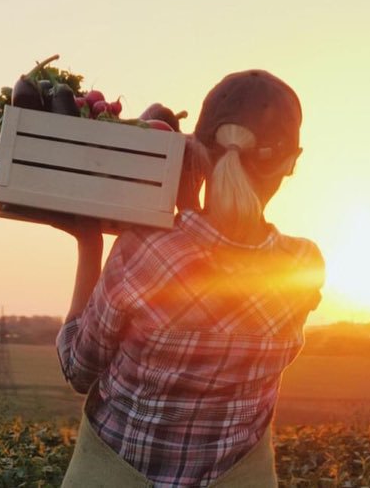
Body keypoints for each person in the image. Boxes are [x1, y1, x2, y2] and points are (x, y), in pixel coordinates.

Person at [50, 70, 326, 487]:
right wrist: (190, 205)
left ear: (195, 147)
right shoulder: (303, 266)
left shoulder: (143, 251)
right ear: (291, 162)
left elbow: (78, 368)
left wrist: (89, 244)